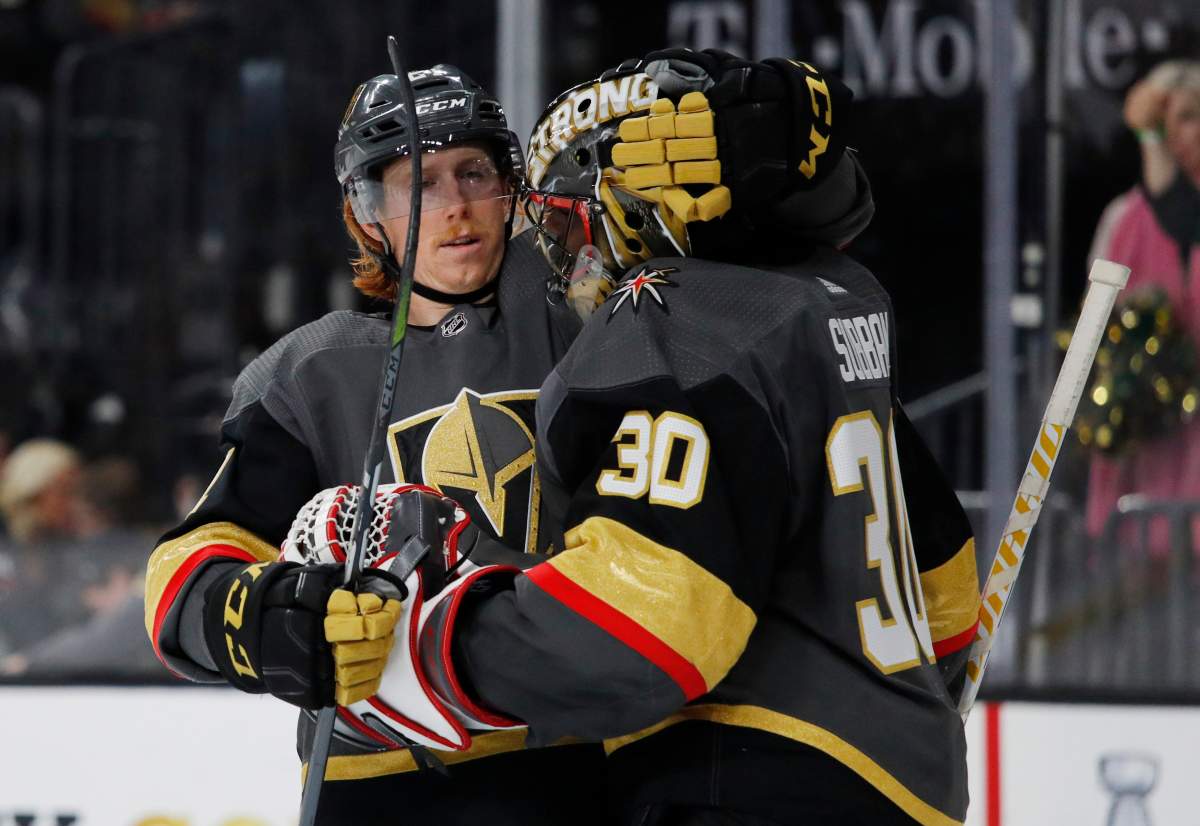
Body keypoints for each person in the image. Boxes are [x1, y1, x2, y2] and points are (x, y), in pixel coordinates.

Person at [327, 50, 981, 825]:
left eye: (569, 222)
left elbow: (647, 623)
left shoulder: (673, 321)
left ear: (624, 204)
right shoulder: (823, 305)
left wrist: (431, 645)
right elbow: (947, 596)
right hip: (908, 784)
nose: (569, 259)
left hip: (752, 775)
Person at [142, 58, 603, 823]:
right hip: (382, 777)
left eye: (474, 173)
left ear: (511, 187)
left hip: (581, 753)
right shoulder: (310, 372)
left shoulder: (589, 318)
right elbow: (185, 569)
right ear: (365, 215)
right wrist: (264, 618)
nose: (454, 206)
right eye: (416, 185)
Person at [1086, 60, 1200, 544]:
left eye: (1194, 115)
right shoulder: (1122, 220)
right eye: (1177, 117)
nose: (1189, 132)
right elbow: (1095, 332)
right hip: (1146, 440)